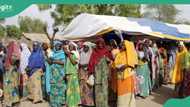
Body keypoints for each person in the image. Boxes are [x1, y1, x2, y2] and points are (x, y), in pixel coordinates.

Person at [88, 38, 112, 107]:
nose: (100, 45)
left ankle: (104, 105)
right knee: (98, 90)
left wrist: (109, 73)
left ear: (103, 44)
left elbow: (110, 61)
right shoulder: (94, 52)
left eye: (101, 43)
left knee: (104, 90)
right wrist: (91, 72)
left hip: (104, 74)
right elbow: (91, 63)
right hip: (97, 74)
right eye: (98, 43)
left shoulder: (106, 51)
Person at [113, 40, 138, 107]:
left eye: (123, 45)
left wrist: (126, 66)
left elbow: (134, 65)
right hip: (120, 76)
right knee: (121, 93)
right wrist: (118, 67)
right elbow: (115, 64)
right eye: (121, 44)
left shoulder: (131, 54)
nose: (122, 46)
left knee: (129, 93)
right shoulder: (119, 54)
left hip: (128, 76)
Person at [46, 41, 66, 107]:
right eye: (56, 45)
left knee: (60, 89)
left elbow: (64, 63)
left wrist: (54, 61)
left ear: (61, 46)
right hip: (53, 75)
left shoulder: (63, 54)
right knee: (53, 89)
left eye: (59, 45)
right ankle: (54, 104)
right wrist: (49, 60)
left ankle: (60, 103)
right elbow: (49, 62)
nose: (58, 47)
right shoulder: (53, 54)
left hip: (60, 75)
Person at [3, 41, 20, 107]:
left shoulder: (13, 51)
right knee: (9, 86)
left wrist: (12, 63)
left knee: (12, 86)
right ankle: (10, 101)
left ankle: (13, 101)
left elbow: (14, 60)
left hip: (11, 72)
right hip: (9, 72)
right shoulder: (9, 51)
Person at [79, 42, 95, 106]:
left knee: (88, 87)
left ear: (89, 47)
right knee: (82, 87)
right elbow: (79, 62)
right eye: (84, 47)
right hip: (81, 72)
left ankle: (89, 102)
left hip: (88, 72)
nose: (85, 48)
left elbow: (91, 63)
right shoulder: (81, 53)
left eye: (86, 47)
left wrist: (84, 64)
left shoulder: (91, 54)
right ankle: (83, 101)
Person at [65, 41, 81, 107]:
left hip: (73, 73)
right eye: (69, 46)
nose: (69, 47)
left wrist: (69, 54)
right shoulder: (69, 54)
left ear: (74, 47)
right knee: (69, 89)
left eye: (71, 46)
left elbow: (74, 62)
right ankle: (70, 103)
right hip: (69, 73)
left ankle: (74, 103)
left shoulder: (74, 54)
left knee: (73, 89)